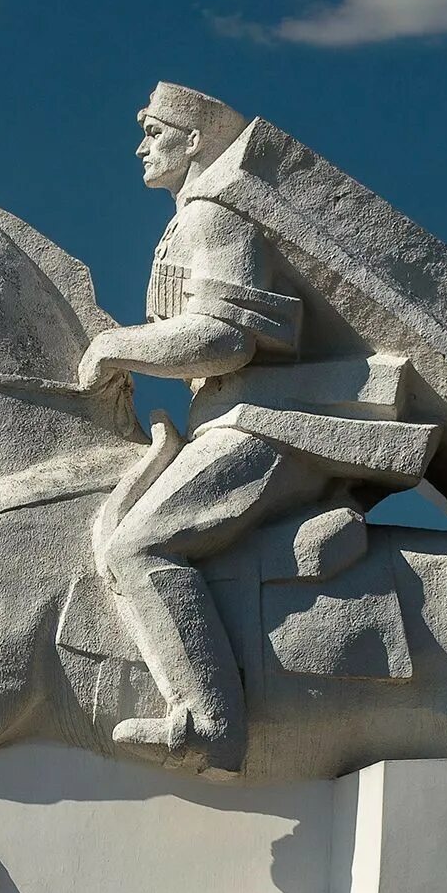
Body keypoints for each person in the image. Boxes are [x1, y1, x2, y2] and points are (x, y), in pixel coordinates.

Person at [77, 83, 309, 775]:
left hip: (274, 423)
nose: (140, 145)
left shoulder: (214, 214)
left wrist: (113, 348)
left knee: (139, 548)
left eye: (154, 130)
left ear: (197, 140)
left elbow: (224, 339)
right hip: (228, 419)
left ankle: (207, 722)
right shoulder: (188, 220)